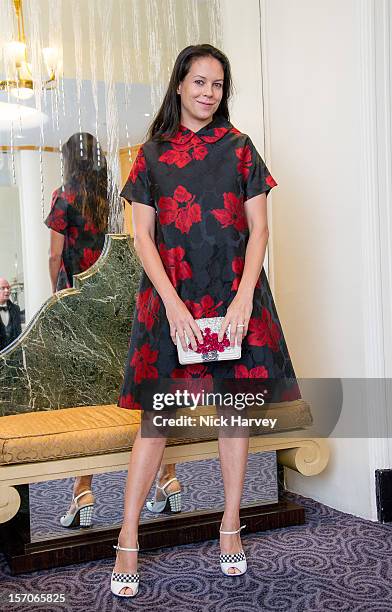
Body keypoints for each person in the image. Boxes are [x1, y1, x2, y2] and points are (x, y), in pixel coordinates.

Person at [111, 43, 296, 598]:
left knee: (233, 416)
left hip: (233, 294)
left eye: (217, 84)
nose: (207, 92)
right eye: (198, 82)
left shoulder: (241, 150)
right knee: (156, 422)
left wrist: (243, 302)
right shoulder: (151, 154)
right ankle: (127, 537)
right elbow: (143, 237)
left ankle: (231, 527)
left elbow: (259, 229)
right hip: (172, 300)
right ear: (179, 86)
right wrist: (172, 304)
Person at [45, 133, 181, 528]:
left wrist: (57, 294)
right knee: (142, 394)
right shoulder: (114, 199)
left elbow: (56, 254)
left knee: (88, 398)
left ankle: (82, 490)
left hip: (80, 304)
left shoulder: (63, 196)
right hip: (118, 302)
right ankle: (168, 478)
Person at [0, 278, 22, 351]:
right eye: (3, 288)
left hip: (14, 356)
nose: (7, 290)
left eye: (8, 288)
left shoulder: (16, 309)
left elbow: (18, 334)